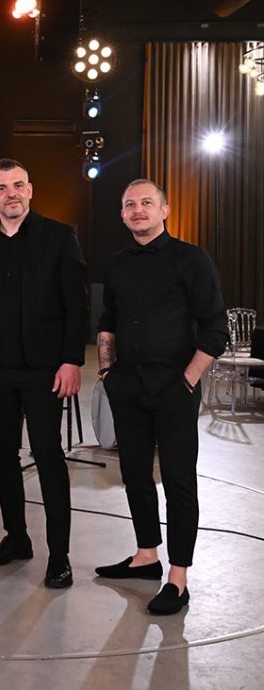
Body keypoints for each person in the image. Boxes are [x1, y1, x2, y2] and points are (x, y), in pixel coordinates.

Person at [0, 158, 88, 589]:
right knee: (3, 456)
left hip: (45, 370)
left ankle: (59, 555)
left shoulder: (60, 236)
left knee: (48, 456)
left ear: (30, 190)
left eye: (17, 185)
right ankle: (17, 538)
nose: (11, 193)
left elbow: (77, 303)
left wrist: (72, 360)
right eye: (1, 188)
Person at [95, 179, 228, 615]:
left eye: (146, 203)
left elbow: (215, 328)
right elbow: (108, 320)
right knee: (134, 474)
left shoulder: (192, 259)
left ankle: (178, 577)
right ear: (122, 214)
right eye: (129, 204)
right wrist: (107, 372)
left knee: (178, 480)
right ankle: (146, 555)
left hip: (175, 389)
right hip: (128, 387)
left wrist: (188, 380)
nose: (138, 209)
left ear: (164, 210)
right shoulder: (116, 264)